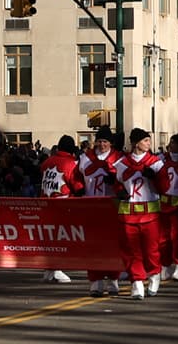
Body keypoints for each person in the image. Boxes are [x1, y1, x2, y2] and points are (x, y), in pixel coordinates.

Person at [113, 127, 164, 299]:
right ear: (135, 143)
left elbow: (165, 187)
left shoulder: (156, 163)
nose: (148, 144)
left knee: (151, 251)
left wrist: (155, 177)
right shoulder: (121, 164)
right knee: (131, 251)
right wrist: (119, 191)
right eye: (145, 141)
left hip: (150, 214)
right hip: (128, 214)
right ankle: (137, 282)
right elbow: (118, 184)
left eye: (149, 140)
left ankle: (154, 274)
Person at [79, 126, 123, 295]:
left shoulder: (118, 159)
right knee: (93, 245)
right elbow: (78, 178)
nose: (102, 144)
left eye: (105, 141)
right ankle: (95, 280)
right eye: (99, 141)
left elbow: (125, 181)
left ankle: (113, 279)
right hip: (91, 206)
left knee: (113, 245)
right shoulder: (85, 158)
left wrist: (115, 181)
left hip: (112, 206)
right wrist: (79, 189)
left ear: (110, 143)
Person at [38, 134, 84, 283]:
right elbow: (78, 187)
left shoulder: (47, 162)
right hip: (63, 206)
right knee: (60, 239)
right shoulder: (71, 165)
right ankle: (56, 269)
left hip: (45, 205)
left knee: (49, 238)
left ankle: (49, 269)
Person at [157, 132, 178, 285]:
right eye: (170, 143)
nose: (171, 146)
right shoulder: (161, 159)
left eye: (174, 143)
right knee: (163, 238)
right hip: (163, 205)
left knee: (177, 237)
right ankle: (165, 265)